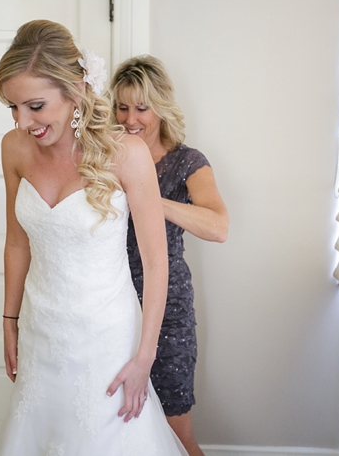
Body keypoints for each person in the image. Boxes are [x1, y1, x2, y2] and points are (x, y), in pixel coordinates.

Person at [0, 20, 188, 455]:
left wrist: (145, 358)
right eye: (13, 107)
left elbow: (156, 262)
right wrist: (9, 320)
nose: (22, 122)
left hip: (107, 341)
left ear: (76, 90)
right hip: (40, 331)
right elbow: (17, 242)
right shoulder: (13, 149)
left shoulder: (127, 154)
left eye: (35, 106)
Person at [111, 55, 229, 456]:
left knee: (174, 430)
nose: (130, 119)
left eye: (142, 108)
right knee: (118, 425)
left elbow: (218, 226)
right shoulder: (107, 157)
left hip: (167, 312)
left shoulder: (186, 161)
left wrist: (149, 199)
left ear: (160, 107)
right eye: (122, 107)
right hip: (111, 305)